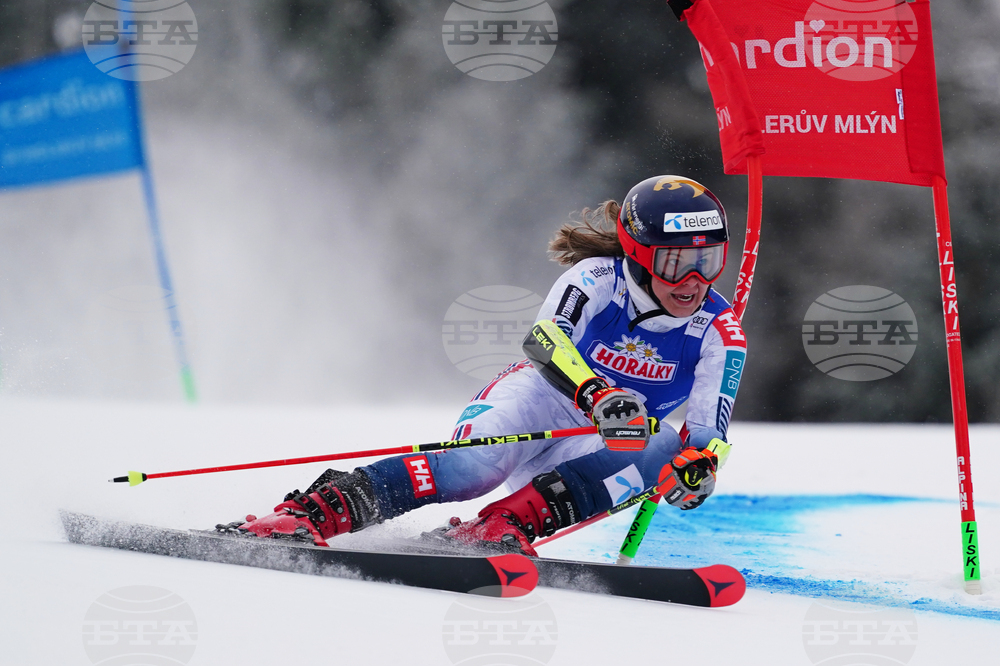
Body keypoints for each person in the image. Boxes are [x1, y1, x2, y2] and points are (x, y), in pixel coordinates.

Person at [227, 175, 747, 555]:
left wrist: (698, 474)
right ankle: (313, 512)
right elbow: (545, 342)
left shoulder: (721, 335)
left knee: (660, 445)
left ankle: (498, 528)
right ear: (637, 252)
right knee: (471, 469)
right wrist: (597, 394)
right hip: (541, 400)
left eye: (709, 261)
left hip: (593, 448)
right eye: (676, 262)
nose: (694, 281)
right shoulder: (597, 279)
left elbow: (707, 437)